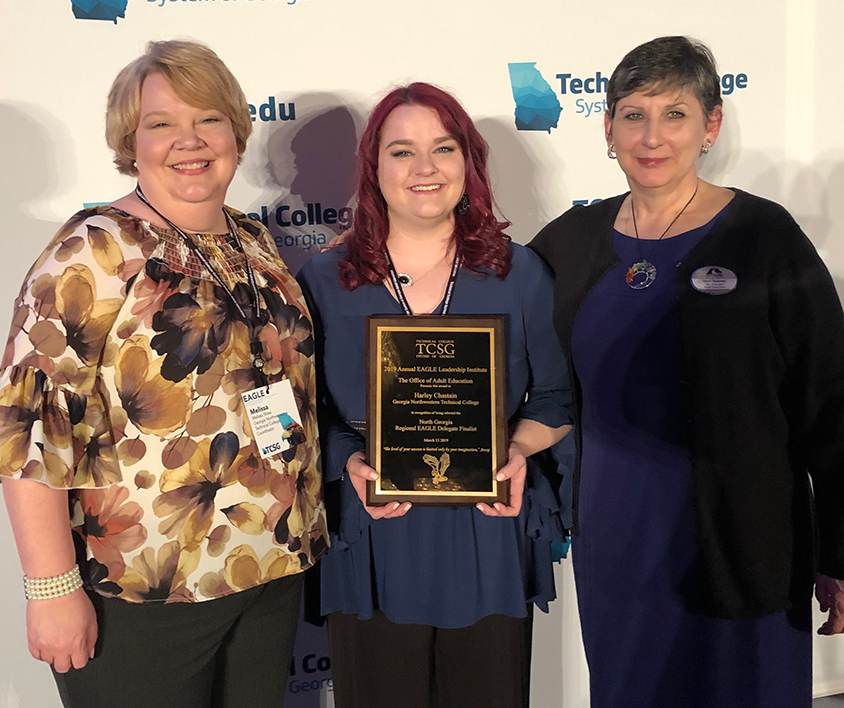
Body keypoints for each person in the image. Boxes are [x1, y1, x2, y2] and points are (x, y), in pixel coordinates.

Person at [0, 40, 328, 708]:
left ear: (235, 130)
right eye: (160, 124)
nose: (189, 140)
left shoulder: (254, 241)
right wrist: (52, 588)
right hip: (144, 591)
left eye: (207, 118)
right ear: (130, 141)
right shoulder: (93, 251)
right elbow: (28, 428)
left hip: (269, 569)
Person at [529, 35, 844, 708]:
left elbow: (830, 400)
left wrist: (840, 550)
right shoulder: (569, 241)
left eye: (675, 113)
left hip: (747, 542)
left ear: (712, 125)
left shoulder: (765, 237)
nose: (652, 136)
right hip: (617, 543)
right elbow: (493, 342)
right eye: (633, 114)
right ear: (607, 128)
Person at [297, 82, 571, 708]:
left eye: (443, 148)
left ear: (468, 163)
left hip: (485, 533)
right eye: (401, 151)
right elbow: (307, 413)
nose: (424, 169)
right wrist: (348, 462)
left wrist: (519, 452)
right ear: (373, 169)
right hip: (370, 535)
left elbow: (555, 398)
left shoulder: (518, 272)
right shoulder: (324, 280)